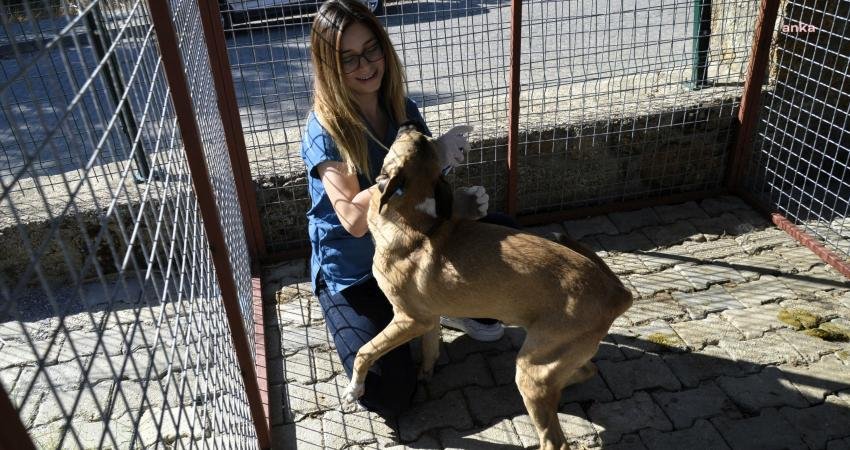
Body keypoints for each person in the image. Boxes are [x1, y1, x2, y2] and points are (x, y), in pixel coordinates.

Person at [300, 0, 507, 415]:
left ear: (384, 48)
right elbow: (354, 221)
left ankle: (439, 307)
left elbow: (428, 184)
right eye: (348, 57)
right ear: (328, 66)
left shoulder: (401, 108)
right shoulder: (325, 130)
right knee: (389, 394)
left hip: (415, 249)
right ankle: (408, 311)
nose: (365, 64)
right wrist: (413, 164)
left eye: (371, 48)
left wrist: (458, 202)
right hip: (357, 270)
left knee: (507, 236)